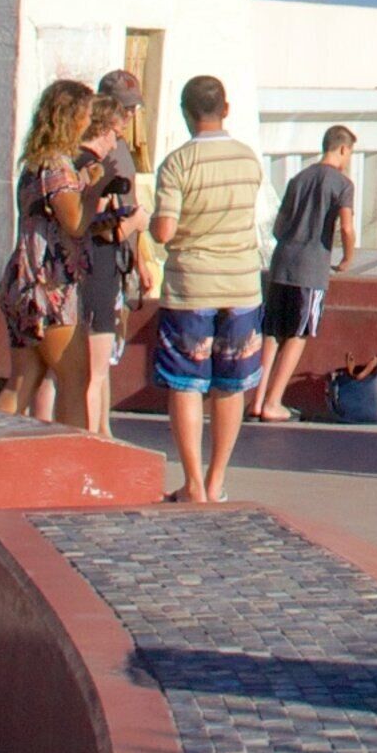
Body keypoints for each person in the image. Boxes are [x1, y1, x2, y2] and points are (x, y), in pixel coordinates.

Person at [147, 75, 266, 502]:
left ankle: (193, 483)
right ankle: (217, 481)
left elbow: (163, 230)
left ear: (185, 111)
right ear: (226, 108)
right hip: (241, 283)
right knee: (231, 384)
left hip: (192, 286)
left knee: (186, 382)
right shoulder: (248, 159)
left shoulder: (178, 163)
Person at [0, 80, 95, 420]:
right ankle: (75, 465)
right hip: (49, 281)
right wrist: (95, 191)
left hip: (22, 275)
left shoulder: (34, 164)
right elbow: (75, 222)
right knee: (75, 378)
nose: (89, 122)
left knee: (22, 381)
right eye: (85, 115)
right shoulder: (57, 165)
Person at [251, 125, 361, 424]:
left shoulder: (298, 178)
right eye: (350, 152)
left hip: (282, 262)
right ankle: (274, 401)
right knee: (299, 333)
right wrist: (348, 257)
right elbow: (347, 227)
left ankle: (257, 398)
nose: (349, 158)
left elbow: (277, 226)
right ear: (342, 149)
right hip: (311, 267)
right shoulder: (342, 184)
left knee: (272, 331)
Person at [65, 94, 148, 436]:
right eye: (115, 131)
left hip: (97, 270)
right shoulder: (89, 168)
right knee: (94, 369)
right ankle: (95, 436)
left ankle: (104, 430)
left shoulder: (75, 163)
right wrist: (134, 223)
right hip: (96, 269)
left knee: (99, 366)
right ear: (100, 128)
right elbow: (95, 227)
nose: (118, 140)